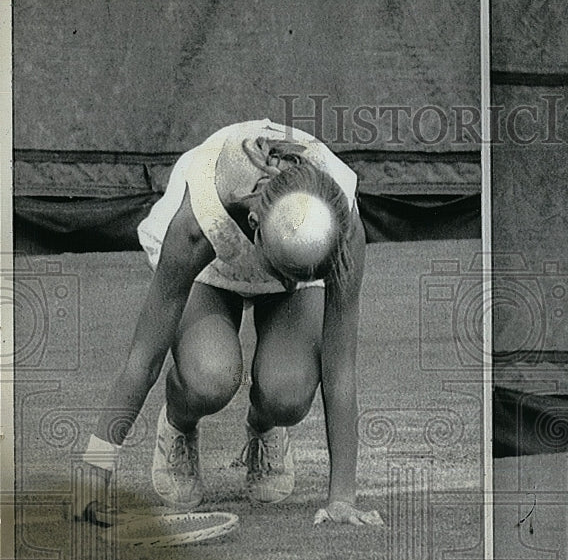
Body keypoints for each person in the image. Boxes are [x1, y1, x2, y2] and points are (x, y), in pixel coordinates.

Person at [80, 119, 384, 527]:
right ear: (255, 227)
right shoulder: (196, 225)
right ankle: (178, 422)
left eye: (302, 275)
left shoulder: (339, 229)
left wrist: (342, 498)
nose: (294, 284)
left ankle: (263, 426)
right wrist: (91, 478)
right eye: (286, 272)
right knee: (211, 377)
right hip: (213, 269)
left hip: (287, 250)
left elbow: (340, 369)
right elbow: (143, 359)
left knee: (288, 395)